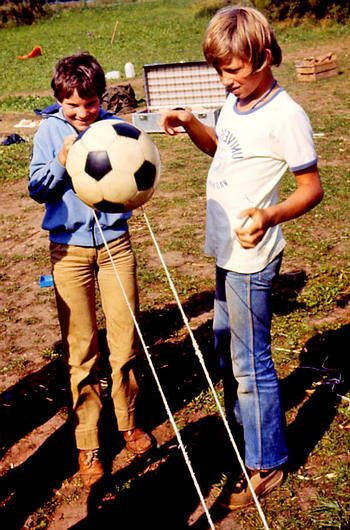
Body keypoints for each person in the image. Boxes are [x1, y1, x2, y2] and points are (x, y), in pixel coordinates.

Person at [161, 6, 323, 510]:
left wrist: (270, 216)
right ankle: (246, 428)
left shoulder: (286, 115)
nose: (225, 80)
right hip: (226, 247)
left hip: (252, 257)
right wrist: (191, 122)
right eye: (219, 70)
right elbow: (222, 151)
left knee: (251, 364)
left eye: (232, 70)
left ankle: (267, 460)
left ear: (265, 58)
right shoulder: (236, 100)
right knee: (227, 344)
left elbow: (311, 188)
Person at [29, 53, 153, 490]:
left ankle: (128, 423)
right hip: (69, 252)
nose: (82, 114)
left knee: (124, 340)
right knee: (82, 348)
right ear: (59, 100)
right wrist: (61, 161)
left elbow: (135, 175)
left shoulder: (113, 128)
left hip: (116, 247)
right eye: (72, 106)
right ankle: (88, 442)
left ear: (101, 97)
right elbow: (35, 188)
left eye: (90, 103)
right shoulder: (48, 131)